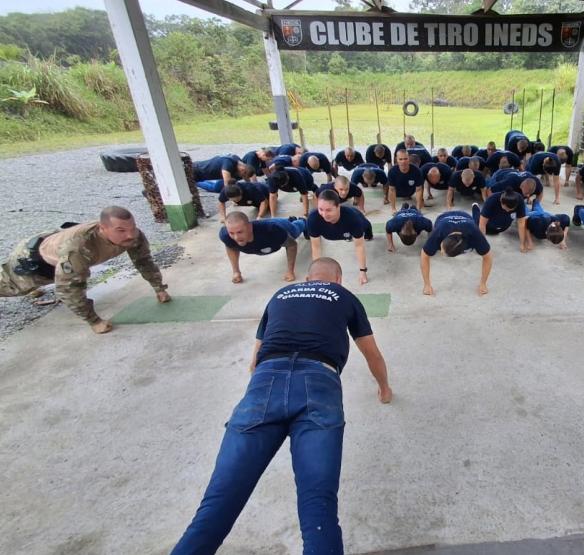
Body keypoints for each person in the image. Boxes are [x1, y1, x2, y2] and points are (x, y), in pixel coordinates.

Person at [171, 257, 392, 555]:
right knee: (318, 509)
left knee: (215, 508)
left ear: (306, 278)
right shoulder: (344, 296)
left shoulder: (279, 296)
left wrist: (261, 394)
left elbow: (255, 359)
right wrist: (384, 388)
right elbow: (372, 354)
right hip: (319, 383)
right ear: (337, 280)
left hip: (266, 383)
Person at [0, 206, 170, 334]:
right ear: (103, 228)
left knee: (71, 271)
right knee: (13, 288)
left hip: (59, 248)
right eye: (121, 230)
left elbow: (144, 262)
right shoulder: (78, 249)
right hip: (35, 261)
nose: (130, 235)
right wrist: (94, 321)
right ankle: (31, 288)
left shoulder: (133, 236)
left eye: (132, 228)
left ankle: (35, 289)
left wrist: (159, 288)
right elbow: (68, 289)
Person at [307, 190, 373, 285]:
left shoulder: (353, 218)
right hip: (331, 233)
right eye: (320, 209)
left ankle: (367, 233)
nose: (324, 215)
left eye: (328, 210)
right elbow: (316, 247)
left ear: (338, 207)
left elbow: (359, 246)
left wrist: (363, 271)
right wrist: (316, 275)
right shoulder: (313, 218)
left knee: (367, 228)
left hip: (355, 221)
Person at [219, 212, 306, 284]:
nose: (236, 237)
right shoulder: (226, 236)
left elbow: (292, 245)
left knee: (296, 229)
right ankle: (291, 219)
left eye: (240, 232)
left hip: (281, 226)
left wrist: (290, 271)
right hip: (267, 224)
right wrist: (236, 272)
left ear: (250, 227)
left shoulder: (273, 230)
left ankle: (303, 220)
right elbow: (230, 247)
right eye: (231, 233)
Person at [421, 210, 493, 296]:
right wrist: (427, 284)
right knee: (431, 245)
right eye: (441, 247)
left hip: (466, 217)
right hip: (443, 217)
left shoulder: (474, 232)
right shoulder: (439, 231)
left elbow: (488, 256)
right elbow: (424, 255)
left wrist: (483, 283)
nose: (441, 252)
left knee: (480, 246)